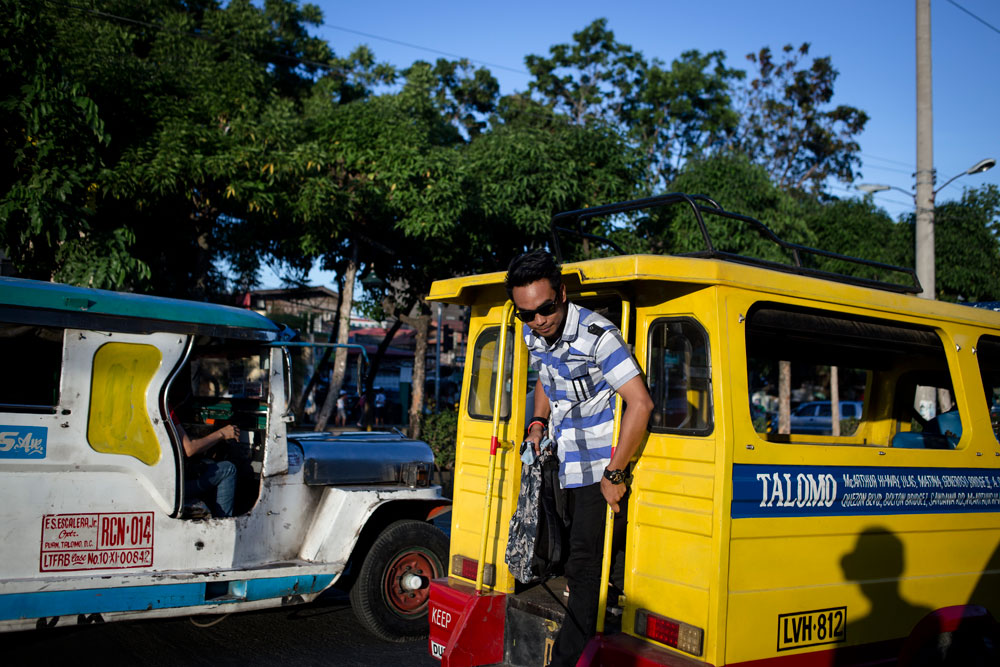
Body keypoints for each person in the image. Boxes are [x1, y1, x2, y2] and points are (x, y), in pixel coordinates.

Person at [506, 249, 653, 667]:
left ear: (563, 294)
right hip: (561, 459)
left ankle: (566, 659)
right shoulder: (531, 333)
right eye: (527, 314)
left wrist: (616, 471)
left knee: (585, 563)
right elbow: (545, 378)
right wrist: (536, 423)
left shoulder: (599, 336)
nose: (538, 320)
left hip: (599, 464)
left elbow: (640, 404)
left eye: (546, 309)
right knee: (565, 552)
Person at [174, 419, 240, 518]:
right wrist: (222, 433)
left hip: (162, 484)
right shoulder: (166, 409)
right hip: (174, 488)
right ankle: (223, 522)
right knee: (228, 469)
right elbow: (189, 449)